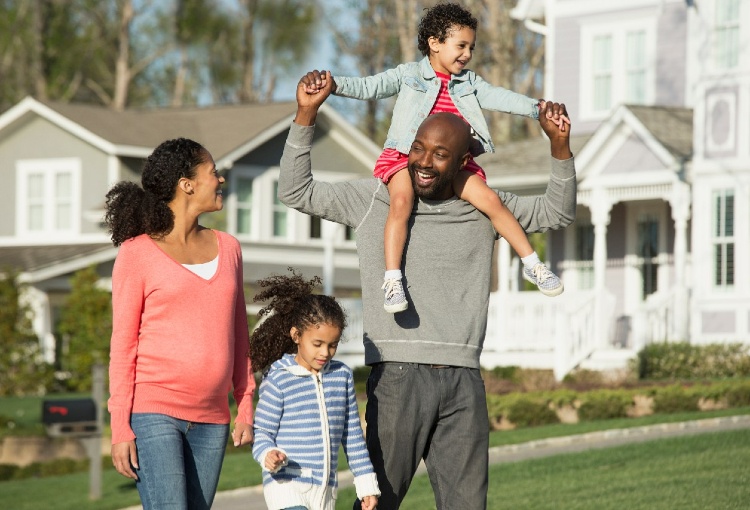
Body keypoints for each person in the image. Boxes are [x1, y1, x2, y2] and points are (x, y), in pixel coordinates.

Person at [278, 69, 575, 509]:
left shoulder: (487, 209)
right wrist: (306, 114)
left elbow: (558, 212)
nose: (423, 162)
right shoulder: (374, 200)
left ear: (463, 162)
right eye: (418, 148)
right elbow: (295, 190)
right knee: (377, 502)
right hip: (397, 377)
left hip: (463, 380)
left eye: (440, 155)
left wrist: (559, 147)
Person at [301, 2, 568, 314]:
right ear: (435, 43)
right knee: (400, 203)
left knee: (492, 202)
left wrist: (537, 109)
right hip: (404, 156)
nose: (467, 54)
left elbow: (500, 97)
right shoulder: (409, 75)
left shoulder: (470, 83)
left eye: (471, 47)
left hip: (453, 163)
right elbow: (369, 87)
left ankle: (532, 264)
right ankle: (392, 278)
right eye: (461, 46)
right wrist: (333, 84)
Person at [105, 138, 255, 509]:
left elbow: (239, 334)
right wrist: (120, 426)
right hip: (153, 412)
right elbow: (123, 346)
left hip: (213, 418)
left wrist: (246, 400)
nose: (220, 180)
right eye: (212, 172)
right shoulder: (136, 252)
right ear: (186, 184)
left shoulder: (229, 248)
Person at [250, 270, 380, 510]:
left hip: (324, 490)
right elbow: (262, 431)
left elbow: (351, 435)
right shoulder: (279, 377)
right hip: (285, 484)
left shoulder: (341, 376)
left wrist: (366, 484)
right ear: (296, 335)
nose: (325, 353)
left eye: (333, 345)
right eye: (317, 344)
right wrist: (268, 453)